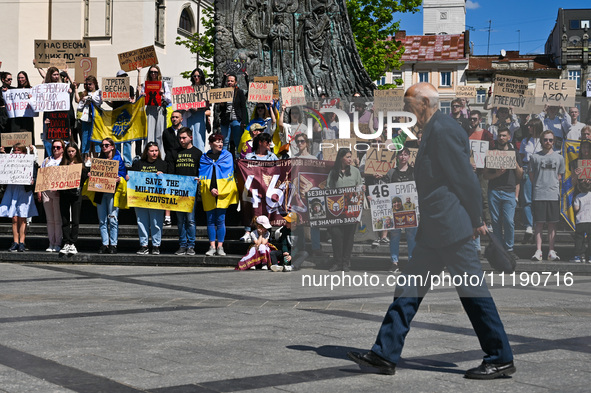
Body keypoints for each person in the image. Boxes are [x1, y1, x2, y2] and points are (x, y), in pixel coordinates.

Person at [348, 82, 515, 380]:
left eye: (409, 106)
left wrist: (477, 218)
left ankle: (501, 357)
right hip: (434, 228)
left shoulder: (444, 129)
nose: (405, 111)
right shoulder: (433, 128)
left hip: (452, 227)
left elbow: (465, 179)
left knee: (473, 294)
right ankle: (384, 354)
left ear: (424, 103)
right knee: (408, 290)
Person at [483, 128, 523, 260]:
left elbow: (520, 175)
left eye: (504, 135)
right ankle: (499, 247)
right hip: (494, 190)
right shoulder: (492, 153)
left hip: (509, 190)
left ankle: (509, 248)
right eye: (499, 135)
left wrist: (515, 163)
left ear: (509, 137)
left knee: (509, 221)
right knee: (495, 221)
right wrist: (497, 174)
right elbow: (486, 175)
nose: (501, 137)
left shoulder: (515, 153)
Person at [199, 133, 239, 256]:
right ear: (210, 144)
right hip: (208, 191)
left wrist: (219, 190)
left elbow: (229, 175)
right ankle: (212, 246)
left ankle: (220, 247)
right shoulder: (204, 157)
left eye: (221, 141)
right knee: (210, 220)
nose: (220, 144)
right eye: (217, 141)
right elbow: (203, 175)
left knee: (221, 220)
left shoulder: (227, 156)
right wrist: (211, 188)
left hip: (224, 191)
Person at [529, 130, 565, 262]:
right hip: (539, 193)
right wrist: (540, 184)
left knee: (552, 224)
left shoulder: (559, 158)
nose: (548, 142)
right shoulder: (535, 157)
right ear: (541, 141)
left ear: (553, 141)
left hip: (553, 194)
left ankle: (551, 250)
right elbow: (532, 176)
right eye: (545, 139)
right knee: (539, 223)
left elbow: (560, 176)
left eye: (550, 140)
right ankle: (538, 250)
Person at [129, 142, 168, 255]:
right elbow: (132, 178)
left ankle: (156, 245)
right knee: (142, 222)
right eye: (152, 151)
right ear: (147, 152)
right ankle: (144, 245)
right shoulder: (138, 164)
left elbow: (169, 182)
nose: (154, 153)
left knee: (156, 223)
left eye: (156, 150)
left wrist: (163, 176)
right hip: (140, 198)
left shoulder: (163, 164)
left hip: (156, 198)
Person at [327, 148, 363, 272]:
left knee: (349, 236)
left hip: (351, 209)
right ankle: (337, 262)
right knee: (336, 235)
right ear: (341, 158)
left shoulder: (355, 171)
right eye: (347, 157)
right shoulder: (333, 172)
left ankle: (346, 262)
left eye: (350, 157)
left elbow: (359, 186)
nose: (350, 159)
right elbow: (328, 188)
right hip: (336, 210)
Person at [384, 147, 417, 273]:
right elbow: (383, 188)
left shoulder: (414, 172)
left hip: (411, 210)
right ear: (397, 157)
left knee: (411, 236)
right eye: (401, 155)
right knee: (395, 236)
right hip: (395, 209)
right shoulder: (391, 173)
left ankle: (412, 261)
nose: (403, 157)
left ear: (409, 156)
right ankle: (394, 262)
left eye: (405, 154)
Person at [0, 143, 38, 252]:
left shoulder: (30, 162)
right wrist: (2, 154)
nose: (17, 152)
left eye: (19, 150)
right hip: (12, 189)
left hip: (24, 191)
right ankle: (15, 242)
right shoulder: (10, 161)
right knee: (14, 218)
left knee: (23, 217)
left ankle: (22, 242)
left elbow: (35, 176)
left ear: (24, 152)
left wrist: (32, 181)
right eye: (15, 150)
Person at [172, 127, 202, 256]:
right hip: (178, 190)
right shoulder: (174, 152)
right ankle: (182, 245)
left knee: (190, 220)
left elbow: (201, 171)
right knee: (180, 220)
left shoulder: (198, 153)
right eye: (180, 138)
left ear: (191, 137)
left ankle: (191, 245)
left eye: (184, 138)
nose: (181, 140)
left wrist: (199, 179)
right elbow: (171, 171)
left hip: (191, 191)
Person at [95, 138, 127, 254]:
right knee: (102, 220)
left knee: (113, 219)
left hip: (113, 192)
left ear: (112, 146)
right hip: (100, 193)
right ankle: (105, 243)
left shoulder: (118, 159)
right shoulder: (99, 160)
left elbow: (124, 173)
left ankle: (113, 244)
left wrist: (120, 178)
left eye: (106, 145)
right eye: (102, 145)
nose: (104, 147)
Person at [59, 143, 88, 255]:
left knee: (75, 220)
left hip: (76, 194)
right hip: (64, 194)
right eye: (69, 151)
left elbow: (84, 178)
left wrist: (86, 174)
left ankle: (73, 243)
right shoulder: (63, 164)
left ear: (76, 151)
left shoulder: (81, 165)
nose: (71, 153)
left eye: (73, 151)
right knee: (65, 219)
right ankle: (66, 242)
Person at [38, 139, 66, 252]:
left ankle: (58, 243)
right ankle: (51, 242)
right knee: (50, 219)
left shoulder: (64, 161)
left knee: (57, 219)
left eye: (58, 147)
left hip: (58, 192)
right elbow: (41, 175)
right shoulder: (47, 160)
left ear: (63, 149)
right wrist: (39, 191)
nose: (55, 149)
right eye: (54, 147)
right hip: (46, 191)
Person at [518, 118, 543, 244]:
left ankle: (538, 225)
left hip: (540, 170)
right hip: (527, 168)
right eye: (528, 126)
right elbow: (522, 157)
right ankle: (529, 226)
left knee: (538, 199)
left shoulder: (544, 140)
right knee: (527, 198)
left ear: (537, 127)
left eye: (531, 126)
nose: (528, 128)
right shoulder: (525, 140)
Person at [105, 70, 136, 167]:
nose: (123, 78)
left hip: (126, 116)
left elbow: (133, 101)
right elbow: (112, 104)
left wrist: (131, 100)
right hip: (115, 117)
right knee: (117, 140)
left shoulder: (130, 88)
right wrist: (105, 101)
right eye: (121, 76)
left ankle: (127, 162)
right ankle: (117, 160)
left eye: (124, 76)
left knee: (127, 140)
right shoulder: (113, 89)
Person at [138, 65, 171, 154]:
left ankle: (160, 155)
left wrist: (163, 95)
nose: (153, 74)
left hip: (160, 109)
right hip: (150, 108)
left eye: (155, 72)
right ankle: (148, 154)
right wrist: (142, 95)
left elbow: (169, 99)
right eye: (151, 72)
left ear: (158, 73)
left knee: (160, 133)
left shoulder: (163, 83)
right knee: (149, 133)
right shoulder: (146, 84)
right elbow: (140, 98)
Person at [215, 73, 247, 151]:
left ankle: (239, 159)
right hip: (225, 120)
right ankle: (225, 160)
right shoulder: (224, 92)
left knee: (238, 141)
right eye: (228, 81)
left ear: (235, 82)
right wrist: (221, 104)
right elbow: (220, 109)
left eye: (232, 81)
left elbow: (243, 107)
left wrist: (244, 121)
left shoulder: (239, 92)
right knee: (225, 141)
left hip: (236, 120)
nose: (230, 82)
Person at [75, 75, 102, 160]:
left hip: (96, 118)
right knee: (85, 138)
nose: (88, 86)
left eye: (90, 84)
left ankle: (96, 158)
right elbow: (79, 107)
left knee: (96, 139)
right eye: (87, 84)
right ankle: (86, 157)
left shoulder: (99, 92)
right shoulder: (84, 93)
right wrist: (84, 101)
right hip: (86, 118)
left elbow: (99, 101)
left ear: (95, 84)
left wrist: (90, 98)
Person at [184, 67, 210, 153]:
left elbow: (208, 104)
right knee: (190, 135)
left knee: (199, 138)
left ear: (201, 77)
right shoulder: (189, 89)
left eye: (198, 76)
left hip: (199, 116)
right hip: (190, 115)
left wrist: (198, 108)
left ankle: (200, 156)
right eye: (194, 76)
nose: (196, 78)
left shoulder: (205, 89)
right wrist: (186, 107)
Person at [571, 178, 591, 263]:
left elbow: (576, 208)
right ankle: (590, 257)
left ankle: (578, 256)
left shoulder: (578, 197)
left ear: (579, 189)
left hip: (581, 221)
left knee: (579, 239)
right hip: (590, 220)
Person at [14, 71, 36, 141]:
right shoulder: (14, 90)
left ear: (26, 78)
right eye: (19, 78)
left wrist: (32, 97)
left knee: (29, 136)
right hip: (18, 119)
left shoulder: (32, 89)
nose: (20, 79)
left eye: (22, 77)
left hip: (28, 117)